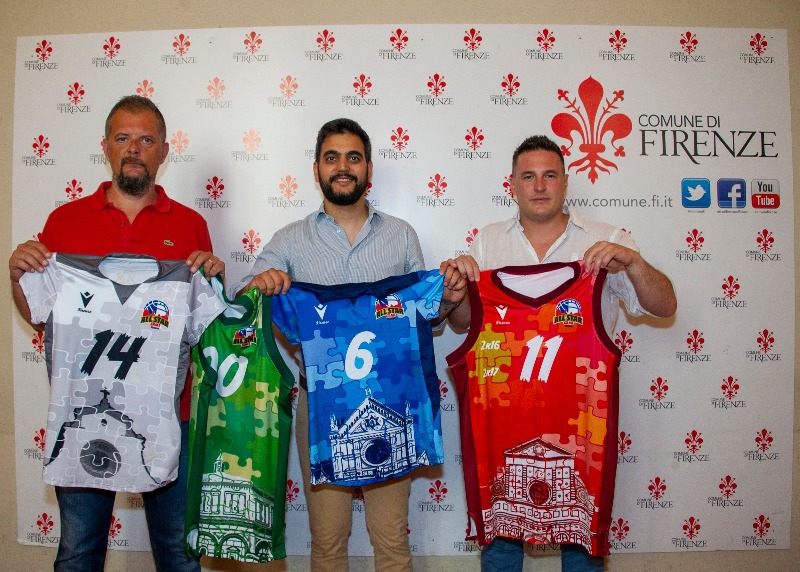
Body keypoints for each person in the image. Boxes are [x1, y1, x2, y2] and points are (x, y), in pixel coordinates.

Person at [233, 118, 467, 572]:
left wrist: (448, 299)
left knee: (392, 543)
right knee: (327, 543)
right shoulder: (289, 239)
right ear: (317, 169)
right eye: (332, 157)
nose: (343, 167)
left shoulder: (401, 234)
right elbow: (243, 302)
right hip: (321, 404)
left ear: (368, 169)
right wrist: (260, 285)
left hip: (392, 402)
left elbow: (422, 318)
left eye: (353, 157)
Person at [9, 95, 225, 572]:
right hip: (82, 412)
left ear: (163, 151)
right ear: (105, 145)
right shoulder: (64, 222)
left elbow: (205, 326)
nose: (134, 149)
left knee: (179, 555)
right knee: (78, 552)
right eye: (123, 138)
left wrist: (213, 279)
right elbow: (41, 315)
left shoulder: (190, 225)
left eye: (146, 140)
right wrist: (18, 276)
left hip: (169, 416)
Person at [447, 134, 676, 572]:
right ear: (512, 184)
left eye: (549, 175)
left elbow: (665, 306)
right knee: (501, 542)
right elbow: (463, 325)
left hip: (579, 428)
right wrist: (458, 290)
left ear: (566, 182)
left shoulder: (608, 239)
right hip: (504, 427)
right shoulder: (487, 242)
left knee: (582, 543)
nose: (539, 186)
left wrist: (633, 262)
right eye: (528, 177)